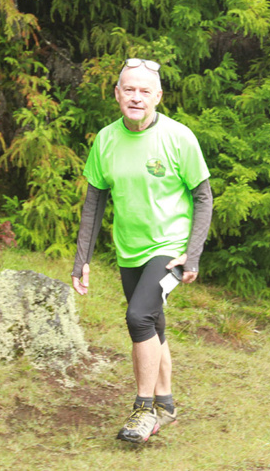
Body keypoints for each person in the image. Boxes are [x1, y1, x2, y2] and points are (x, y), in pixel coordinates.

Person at [71, 58, 213, 444]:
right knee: (153, 324)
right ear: (117, 94)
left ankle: (144, 410)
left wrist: (192, 253)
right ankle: (166, 405)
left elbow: (203, 197)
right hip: (129, 250)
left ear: (158, 97)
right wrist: (82, 260)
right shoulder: (106, 140)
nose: (136, 97)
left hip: (169, 248)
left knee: (138, 318)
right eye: (129, 90)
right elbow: (94, 201)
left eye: (145, 91)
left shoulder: (179, 137)